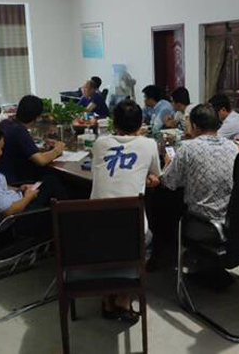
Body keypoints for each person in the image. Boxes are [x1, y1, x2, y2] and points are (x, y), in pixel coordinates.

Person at [90, 99, 161, 323]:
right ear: (141, 124)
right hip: (132, 230)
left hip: (93, 231)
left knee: (110, 238)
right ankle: (123, 296)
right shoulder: (149, 144)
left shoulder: (100, 143)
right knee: (148, 239)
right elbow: (156, 176)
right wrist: (147, 179)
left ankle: (106, 296)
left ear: (114, 123)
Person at [0, 123, 67, 236]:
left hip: (12, 204)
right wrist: (28, 197)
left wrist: (18, 189)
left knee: (49, 181)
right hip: (14, 221)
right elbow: (9, 211)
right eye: (0, 148)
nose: (1, 153)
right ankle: (68, 231)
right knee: (53, 185)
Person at [162, 103, 239, 222]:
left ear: (194, 126)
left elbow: (169, 182)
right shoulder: (233, 147)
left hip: (200, 221)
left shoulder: (188, 148)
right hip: (230, 220)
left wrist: (167, 164)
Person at [0, 95, 64, 183]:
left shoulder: (5, 123)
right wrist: (57, 150)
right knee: (55, 179)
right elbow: (41, 160)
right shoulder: (19, 130)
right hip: (17, 180)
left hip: (2, 176)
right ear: (37, 117)